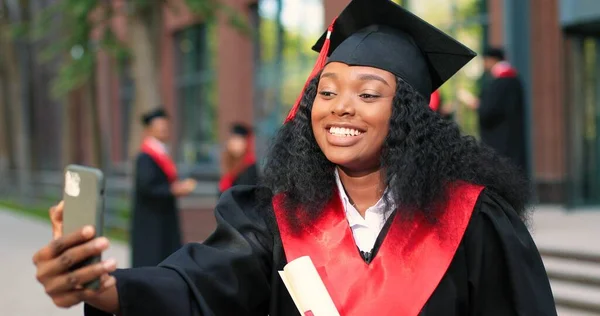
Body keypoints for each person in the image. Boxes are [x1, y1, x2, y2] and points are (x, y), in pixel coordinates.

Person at [32, 1, 556, 315]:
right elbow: (196, 287)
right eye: (325, 92)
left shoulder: (474, 222)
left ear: (409, 116)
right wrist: (101, 287)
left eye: (369, 93)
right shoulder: (275, 219)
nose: (340, 108)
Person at [130, 108, 196, 268]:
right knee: (153, 259)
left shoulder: (161, 153)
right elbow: (147, 186)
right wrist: (174, 190)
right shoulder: (146, 157)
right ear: (149, 129)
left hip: (163, 216)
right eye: (159, 125)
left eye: (165, 125)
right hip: (151, 219)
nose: (163, 128)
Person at [458, 47, 528, 175]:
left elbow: (488, 111)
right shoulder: (515, 80)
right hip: (513, 141)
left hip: (500, 143)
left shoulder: (499, 84)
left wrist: (472, 102)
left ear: (491, 60)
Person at [218, 123, 259, 195]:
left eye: (238, 140)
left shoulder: (249, 168)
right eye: (232, 139)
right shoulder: (229, 165)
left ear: (246, 143)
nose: (234, 143)